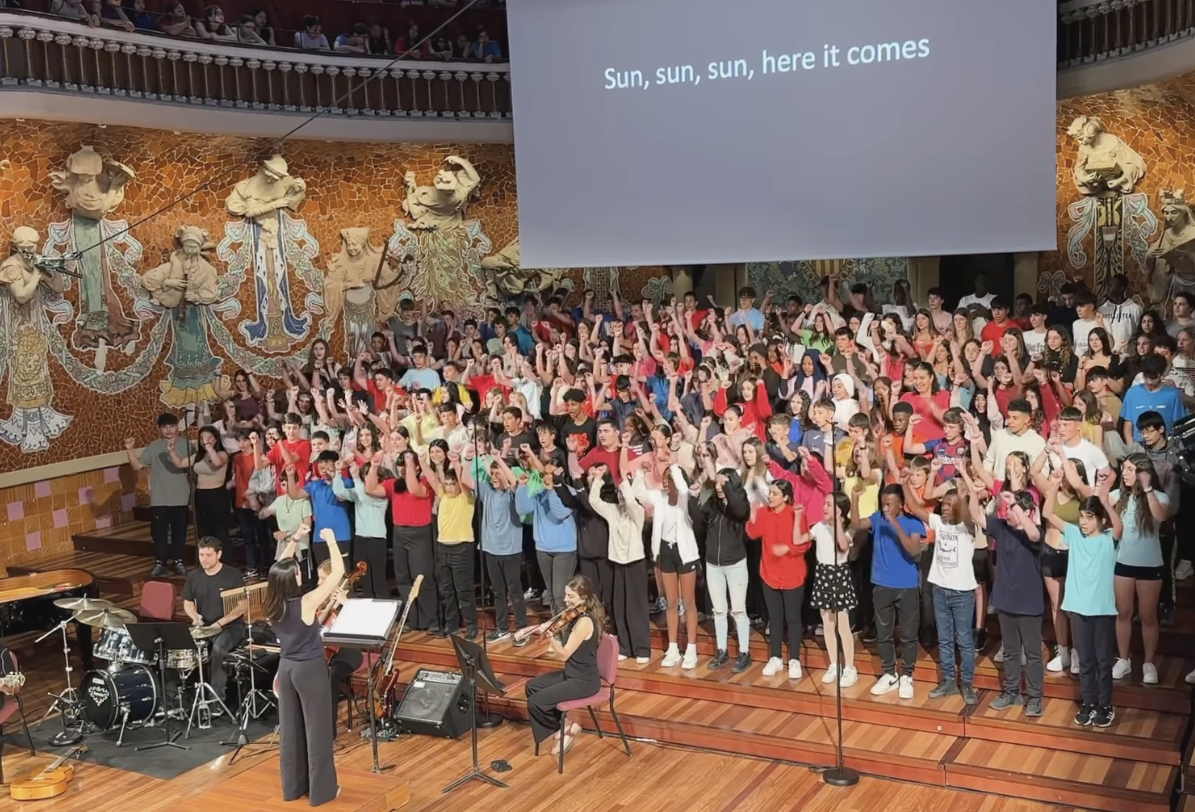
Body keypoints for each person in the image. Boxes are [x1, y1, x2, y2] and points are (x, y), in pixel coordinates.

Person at [264, 528, 343, 806]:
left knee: (291, 730)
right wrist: (331, 541)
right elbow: (336, 574)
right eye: (297, 572)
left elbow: (277, 569)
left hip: (285, 669)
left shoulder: (271, 602)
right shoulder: (306, 602)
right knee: (317, 731)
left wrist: (295, 538)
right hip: (309, 669)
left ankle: (293, 788)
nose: (301, 574)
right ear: (294, 579)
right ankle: (322, 791)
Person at [1042, 470, 1122, 727]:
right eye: (1082, 517)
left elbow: (1118, 527)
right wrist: (1054, 485)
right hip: (1077, 609)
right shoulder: (1075, 535)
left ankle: (1105, 705)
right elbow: (1047, 514)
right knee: (1085, 661)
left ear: (1100, 520)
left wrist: (1106, 503)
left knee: (1102, 661)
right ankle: (1088, 703)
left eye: (1089, 518)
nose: (1084, 522)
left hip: (1101, 611)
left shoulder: (1109, 540)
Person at [522, 576, 604, 757]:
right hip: (572, 674)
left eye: (571, 596)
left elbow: (564, 654)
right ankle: (566, 726)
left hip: (584, 680)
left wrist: (552, 637)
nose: (566, 599)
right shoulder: (575, 617)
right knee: (532, 686)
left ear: (583, 598)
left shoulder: (584, 622)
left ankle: (563, 730)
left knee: (536, 702)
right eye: (566, 594)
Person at [181, 537, 247, 709]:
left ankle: (216, 699)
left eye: (208, 555)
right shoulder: (194, 576)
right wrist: (194, 616)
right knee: (176, 645)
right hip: (204, 627)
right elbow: (187, 603)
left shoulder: (233, 575)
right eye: (201, 555)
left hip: (230, 627)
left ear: (219, 554)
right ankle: (177, 697)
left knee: (218, 649)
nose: (204, 559)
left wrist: (220, 623)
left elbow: (242, 606)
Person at [125, 413, 192, 577]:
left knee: (179, 532)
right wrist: (130, 449)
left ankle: (179, 561)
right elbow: (137, 466)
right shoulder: (154, 447)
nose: (168, 430)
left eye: (171, 426)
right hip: (160, 499)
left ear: (177, 427)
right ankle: (160, 562)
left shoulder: (187, 445)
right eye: (164, 427)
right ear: (159, 429)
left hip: (180, 496)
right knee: (159, 533)